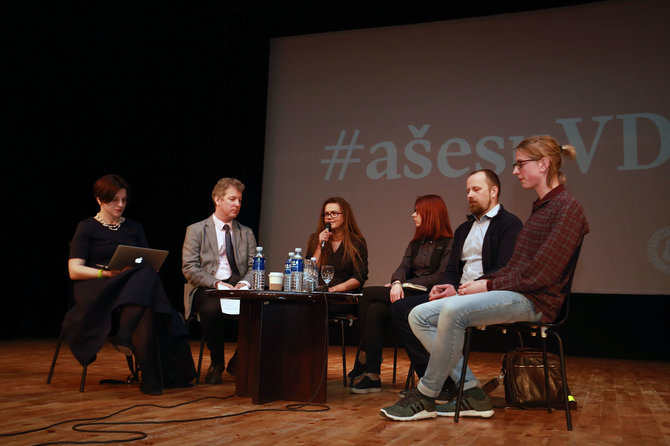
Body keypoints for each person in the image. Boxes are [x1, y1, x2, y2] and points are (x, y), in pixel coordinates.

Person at [380, 136, 589, 421]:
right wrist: (465, 287)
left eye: (520, 164)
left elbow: (542, 274)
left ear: (543, 164)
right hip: (518, 292)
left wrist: (486, 285)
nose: (515, 171)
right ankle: (472, 393)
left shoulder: (566, 207)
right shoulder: (543, 206)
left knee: (452, 311)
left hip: (536, 301)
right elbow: (517, 267)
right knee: (419, 316)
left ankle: (427, 394)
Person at [390, 170, 523, 397]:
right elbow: (451, 270)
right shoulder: (463, 229)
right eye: (467, 190)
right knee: (403, 309)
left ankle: (446, 384)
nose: (470, 195)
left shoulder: (510, 224)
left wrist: (477, 285)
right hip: (460, 294)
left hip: (487, 294)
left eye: (476, 189)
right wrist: (447, 286)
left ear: (494, 191)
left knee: (433, 313)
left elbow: (505, 268)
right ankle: (450, 382)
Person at [63, 174, 195, 395]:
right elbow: (74, 270)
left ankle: (128, 337)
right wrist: (106, 274)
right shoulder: (86, 227)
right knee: (147, 293)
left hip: (131, 288)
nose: (120, 205)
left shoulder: (134, 227)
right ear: (99, 199)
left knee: (145, 278)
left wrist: (149, 266)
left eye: (124, 200)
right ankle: (150, 376)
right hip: (98, 286)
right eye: (114, 200)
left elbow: (147, 260)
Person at [349, 195, 455, 394]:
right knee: (375, 310)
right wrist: (398, 282)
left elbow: (440, 276)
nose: (413, 215)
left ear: (431, 214)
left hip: (428, 295)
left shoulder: (449, 243)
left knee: (367, 293)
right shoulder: (415, 243)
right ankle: (373, 376)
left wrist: (405, 284)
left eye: (417, 211)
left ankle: (364, 355)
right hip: (407, 292)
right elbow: (401, 268)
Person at [182, 177, 256, 384]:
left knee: (263, 308)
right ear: (217, 199)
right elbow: (189, 268)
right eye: (232, 199)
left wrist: (245, 284)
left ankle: (238, 361)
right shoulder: (196, 230)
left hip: (238, 287)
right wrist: (216, 283)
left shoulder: (246, 232)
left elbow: (254, 267)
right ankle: (217, 363)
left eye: (240, 200)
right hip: (207, 288)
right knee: (212, 308)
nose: (237, 204)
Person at [306, 196, 368, 293]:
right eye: (326, 214)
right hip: (319, 294)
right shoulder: (316, 239)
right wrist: (319, 246)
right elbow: (308, 274)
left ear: (345, 216)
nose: (330, 217)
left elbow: (360, 276)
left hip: (345, 295)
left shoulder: (356, 242)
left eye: (334, 213)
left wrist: (336, 289)